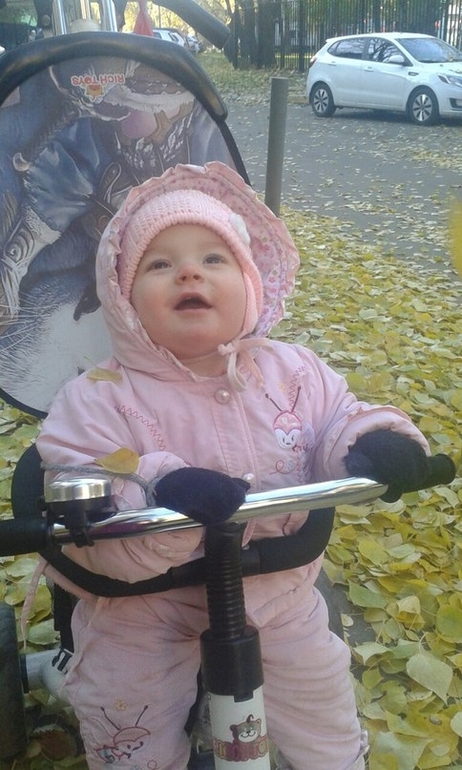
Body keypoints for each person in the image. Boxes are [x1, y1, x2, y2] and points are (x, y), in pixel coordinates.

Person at [35, 161, 454, 770]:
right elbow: (80, 480)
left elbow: (338, 418)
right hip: (144, 608)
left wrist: (373, 443)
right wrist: (161, 486)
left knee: (322, 703)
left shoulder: (293, 372)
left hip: (275, 589)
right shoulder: (98, 395)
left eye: (214, 259)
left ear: (251, 285)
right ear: (124, 301)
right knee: (126, 716)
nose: (189, 272)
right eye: (159, 264)